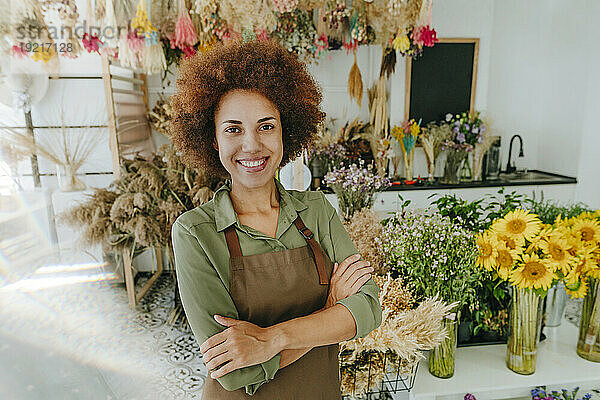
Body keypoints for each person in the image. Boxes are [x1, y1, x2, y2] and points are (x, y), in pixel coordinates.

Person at [169, 39, 382, 399]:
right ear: (214, 141)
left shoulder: (317, 211)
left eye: (266, 126)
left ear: (286, 132)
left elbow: (368, 309)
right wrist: (330, 312)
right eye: (233, 129)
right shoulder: (195, 233)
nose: (251, 144)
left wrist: (271, 338)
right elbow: (237, 372)